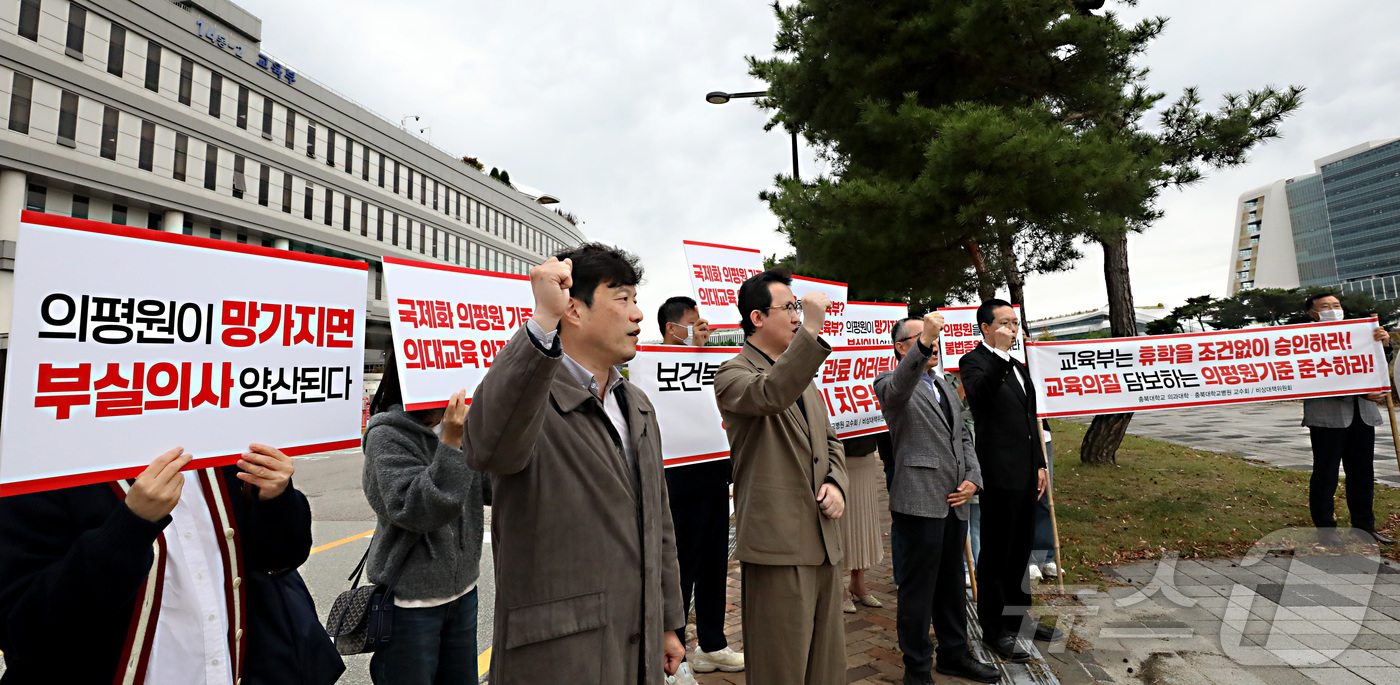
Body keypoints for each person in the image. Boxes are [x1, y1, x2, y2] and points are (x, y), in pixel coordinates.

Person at [465, 244, 685, 684]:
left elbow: (658, 522)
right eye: (622, 299)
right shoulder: (528, 397)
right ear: (574, 311)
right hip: (560, 651)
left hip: (636, 644)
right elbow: (486, 447)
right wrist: (541, 322)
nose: (638, 314)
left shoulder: (636, 405)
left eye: (635, 299)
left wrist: (667, 621)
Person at [0, 444, 334, 684]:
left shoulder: (221, 446)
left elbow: (281, 558)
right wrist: (131, 525)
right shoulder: (33, 461)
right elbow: (25, 631)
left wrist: (276, 497)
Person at [714, 267, 849, 685]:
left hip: (821, 539)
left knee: (825, 665)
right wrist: (811, 329)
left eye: (798, 308)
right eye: (788, 307)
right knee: (780, 665)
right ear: (757, 318)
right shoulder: (732, 375)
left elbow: (831, 442)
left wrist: (837, 484)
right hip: (776, 542)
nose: (796, 314)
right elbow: (770, 394)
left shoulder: (804, 378)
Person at [875, 312, 999, 685]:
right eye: (920, 338)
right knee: (918, 588)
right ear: (901, 347)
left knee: (950, 583)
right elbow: (899, 387)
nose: (933, 344)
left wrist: (973, 478)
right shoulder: (889, 383)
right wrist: (925, 339)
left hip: (954, 501)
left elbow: (962, 436)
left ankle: (954, 653)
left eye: (933, 338)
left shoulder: (944, 384)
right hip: (918, 500)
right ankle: (916, 666)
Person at [361, 350, 490, 684]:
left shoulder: (463, 424)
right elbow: (417, 510)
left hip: (463, 591)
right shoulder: (386, 434)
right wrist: (450, 442)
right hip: (410, 604)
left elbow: (488, 488)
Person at [959, 299, 1058, 663]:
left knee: (1020, 548)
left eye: (1014, 324)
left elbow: (1030, 422)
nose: (1012, 330)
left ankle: (1019, 618)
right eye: (1004, 323)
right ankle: (994, 629)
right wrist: (998, 354)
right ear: (985, 327)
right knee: (997, 552)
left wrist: (1039, 465)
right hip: (998, 472)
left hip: (1026, 472)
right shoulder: (974, 363)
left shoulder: (1018, 366)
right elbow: (980, 398)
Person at [656, 296, 744, 683]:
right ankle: (674, 657)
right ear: (672, 329)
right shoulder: (652, 366)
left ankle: (712, 645)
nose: (702, 328)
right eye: (694, 322)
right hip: (677, 487)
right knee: (681, 570)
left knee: (714, 565)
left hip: (713, 479)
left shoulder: (713, 366)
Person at [1302, 292, 1394, 545]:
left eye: (1336, 305)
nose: (1333, 309)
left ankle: (1364, 527)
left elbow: (1378, 365)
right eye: (1325, 306)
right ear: (1313, 313)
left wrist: (1384, 345)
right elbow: (1311, 375)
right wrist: (1361, 391)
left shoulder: (1361, 332)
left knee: (1363, 473)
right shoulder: (1303, 340)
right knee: (1326, 474)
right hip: (1327, 417)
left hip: (1362, 415)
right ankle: (1326, 529)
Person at [840, 431, 885, 613]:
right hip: (834, 452)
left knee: (862, 521)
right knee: (839, 524)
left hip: (865, 450)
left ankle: (857, 583)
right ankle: (837, 589)